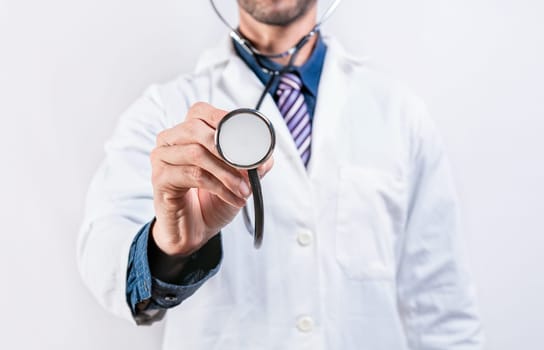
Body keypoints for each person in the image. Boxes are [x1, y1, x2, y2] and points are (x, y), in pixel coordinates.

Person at [77, 0, 484, 348]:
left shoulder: (398, 113)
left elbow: (442, 308)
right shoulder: (162, 111)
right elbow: (104, 259)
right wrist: (171, 247)